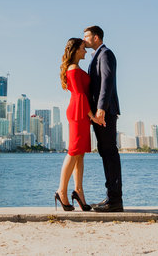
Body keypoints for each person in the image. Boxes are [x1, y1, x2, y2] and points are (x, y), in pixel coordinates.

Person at [55, 37, 103, 211]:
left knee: (80, 153)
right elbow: (81, 95)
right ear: (75, 50)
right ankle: (62, 191)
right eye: (83, 48)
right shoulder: (73, 69)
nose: (85, 51)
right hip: (78, 112)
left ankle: (79, 191)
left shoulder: (76, 68)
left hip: (81, 112)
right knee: (74, 151)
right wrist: (93, 116)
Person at [83, 24, 123, 212]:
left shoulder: (105, 54)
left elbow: (106, 81)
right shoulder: (95, 56)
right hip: (100, 113)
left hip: (104, 112)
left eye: (87, 36)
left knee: (110, 153)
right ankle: (111, 198)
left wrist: (101, 108)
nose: (84, 39)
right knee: (105, 153)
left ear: (96, 37)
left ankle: (115, 201)